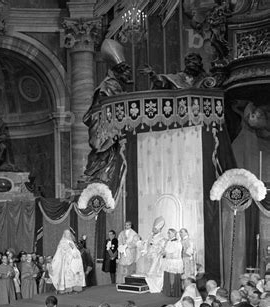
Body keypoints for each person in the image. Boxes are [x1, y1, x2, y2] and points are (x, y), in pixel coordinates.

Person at [83, 39, 131, 196]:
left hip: (113, 130)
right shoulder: (108, 85)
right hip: (105, 129)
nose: (129, 75)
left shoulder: (115, 85)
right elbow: (109, 108)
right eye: (126, 72)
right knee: (105, 158)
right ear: (118, 71)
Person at [142, 52, 210, 89]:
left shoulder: (205, 78)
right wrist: (152, 74)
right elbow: (164, 81)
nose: (191, 65)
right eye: (188, 63)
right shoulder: (180, 76)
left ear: (199, 64)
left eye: (194, 63)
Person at [142, 217, 167, 293]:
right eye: (153, 228)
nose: (153, 230)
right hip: (149, 256)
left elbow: (162, 247)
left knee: (153, 271)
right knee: (148, 271)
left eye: (155, 229)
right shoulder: (150, 235)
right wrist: (144, 247)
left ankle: (155, 287)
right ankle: (150, 286)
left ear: (159, 229)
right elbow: (146, 244)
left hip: (156, 257)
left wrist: (155, 246)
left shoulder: (161, 237)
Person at [162, 228, 183, 297]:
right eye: (167, 233)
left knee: (172, 277)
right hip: (169, 261)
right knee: (168, 275)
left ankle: (173, 291)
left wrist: (166, 253)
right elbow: (166, 251)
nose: (168, 234)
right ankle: (168, 291)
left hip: (174, 262)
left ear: (174, 234)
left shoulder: (177, 242)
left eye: (169, 233)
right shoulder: (169, 241)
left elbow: (175, 254)